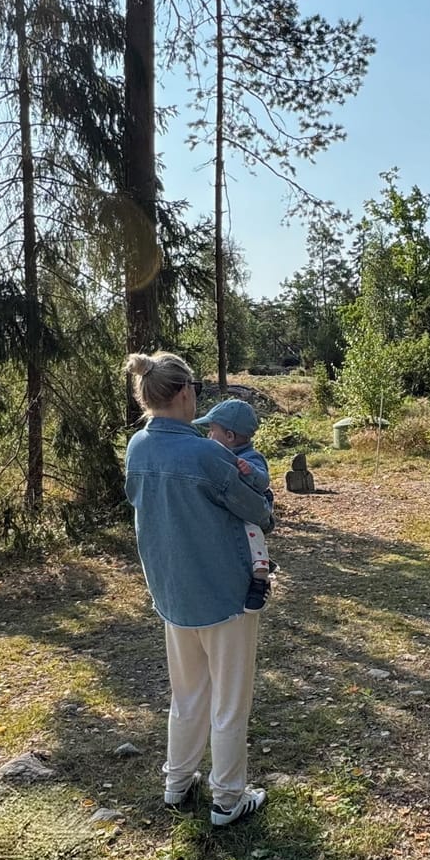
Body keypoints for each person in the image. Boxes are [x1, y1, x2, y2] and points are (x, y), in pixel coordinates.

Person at [123, 352, 276, 826]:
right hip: (225, 595)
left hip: (172, 592)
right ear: (186, 392)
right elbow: (260, 512)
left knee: (187, 694)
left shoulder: (137, 447)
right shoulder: (207, 455)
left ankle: (177, 782)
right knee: (229, 702)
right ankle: (227, 799)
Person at [194, 397, 273, 610]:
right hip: (235, 510)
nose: (209, 435)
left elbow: (264, 481)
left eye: (212, 431)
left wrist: (250, 471)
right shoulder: (218, 457)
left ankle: (261, 580)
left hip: (251, 513)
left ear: (229, 436)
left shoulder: (250, 456)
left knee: (253, 537)